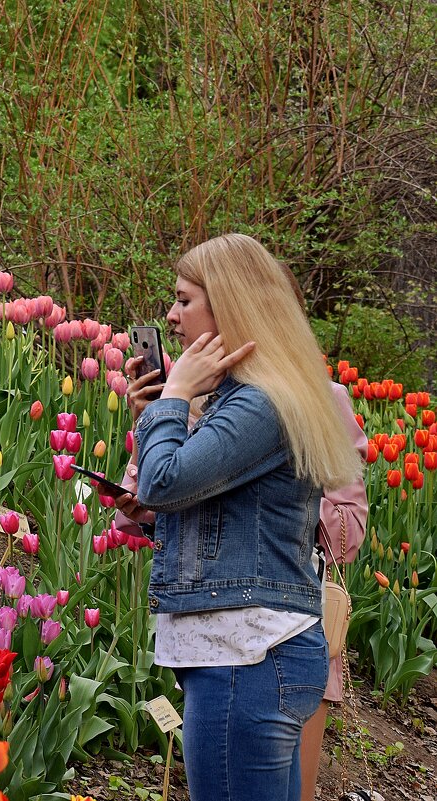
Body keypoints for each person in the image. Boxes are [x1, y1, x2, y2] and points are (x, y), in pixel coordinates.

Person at [110, 233, 364, 801]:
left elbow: (163, 481)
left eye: (182, 300)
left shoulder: (261, 402)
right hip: (245, 656)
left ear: (227, 304)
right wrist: (161, 412)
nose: (171, 317)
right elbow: (223, 518)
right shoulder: (247, 398)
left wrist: (172, 397)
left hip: (246, 657)